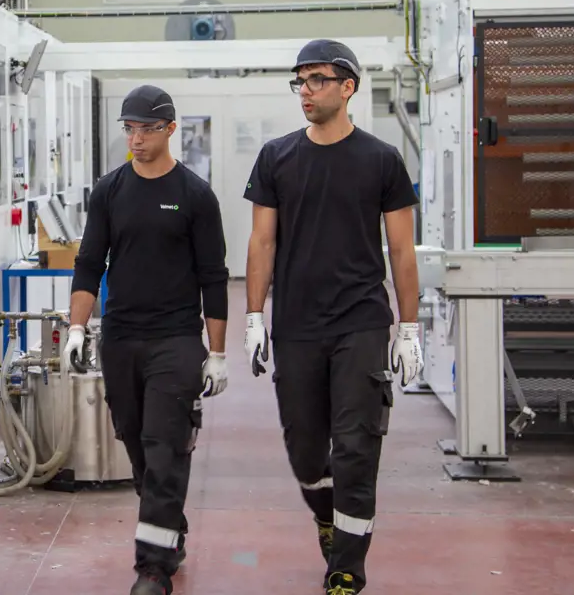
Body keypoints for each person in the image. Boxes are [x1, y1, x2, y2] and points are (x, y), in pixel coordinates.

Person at [241, 39, 422, 595]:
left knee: (357, 446)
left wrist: (409, 327)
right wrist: (253, 317)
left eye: (317, 79)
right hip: (297, 325)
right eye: (300, 80)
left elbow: (402, 251)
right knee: (305, 452)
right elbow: (262, 242)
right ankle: (326, 515)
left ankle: (347, 567)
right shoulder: (276, 157)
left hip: (360, 322)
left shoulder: (381, 160)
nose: (306, 90)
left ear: (348, 87)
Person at [64, 83, 230, 595]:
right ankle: (168, 528)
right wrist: (76, 328)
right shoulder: (110, 191)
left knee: (164, 448)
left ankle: (153, 569)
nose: (136, 139)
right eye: (130, 129)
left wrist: (218, 353)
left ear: (170, 129)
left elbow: (214, 277)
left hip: (175, 340)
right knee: (137, 445)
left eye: (147, 129)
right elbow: (89, 263)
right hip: (121, 339)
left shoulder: (195, 196)